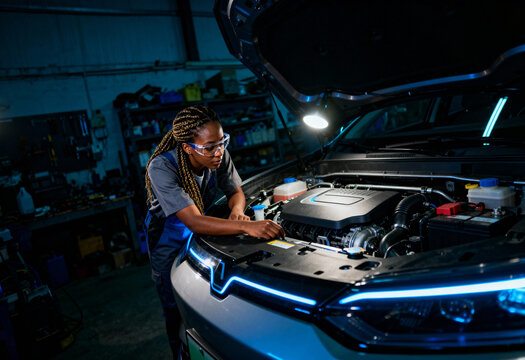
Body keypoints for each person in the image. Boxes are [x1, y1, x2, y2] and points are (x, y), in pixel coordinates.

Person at [144, 105, 285, 358]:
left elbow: (236, 192)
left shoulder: (217, 153)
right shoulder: (161, 167)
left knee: (204, 297)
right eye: (210, 147)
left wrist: (237, 211)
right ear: (188, 147)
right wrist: (246, 225)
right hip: (169, 236)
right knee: (174, 306)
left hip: (203, 227)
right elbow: (194, 221)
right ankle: (180, 353)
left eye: (222, 142)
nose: (219, 151)